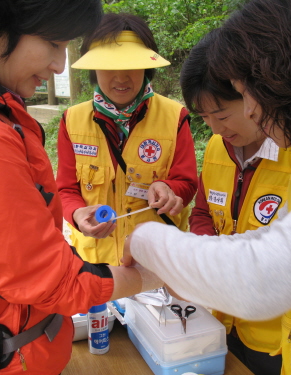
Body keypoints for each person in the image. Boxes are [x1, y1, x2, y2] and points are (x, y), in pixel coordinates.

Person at [122, 0, 291, 374]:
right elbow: (263, 244)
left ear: (282, 76)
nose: (249, 111)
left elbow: (263, 277)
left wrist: (146, 240)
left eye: (244, 92)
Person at [0, 1, 163, 374]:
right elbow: (50, 280)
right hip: (1, 359)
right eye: (54, 44)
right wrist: (157, 274)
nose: (59, 65)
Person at [180, 29, 291, 375]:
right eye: (205, 119)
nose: (216, 129)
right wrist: (206, 249)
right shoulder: (219, 147)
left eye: (223, 114)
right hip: (221, 321)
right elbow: (203, 211)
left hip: (275, 336)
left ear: (253, 98)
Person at [56, 13, 198, 266]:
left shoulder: (175, 116)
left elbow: (186, 183)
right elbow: (66, 189)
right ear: (93, 68)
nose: (121, 78)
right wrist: (77, 213)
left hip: (155, 262)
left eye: (131, 65)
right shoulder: (73, 120)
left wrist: (170, 190)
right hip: (95, 262)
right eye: (109, 66)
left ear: (147, 66)